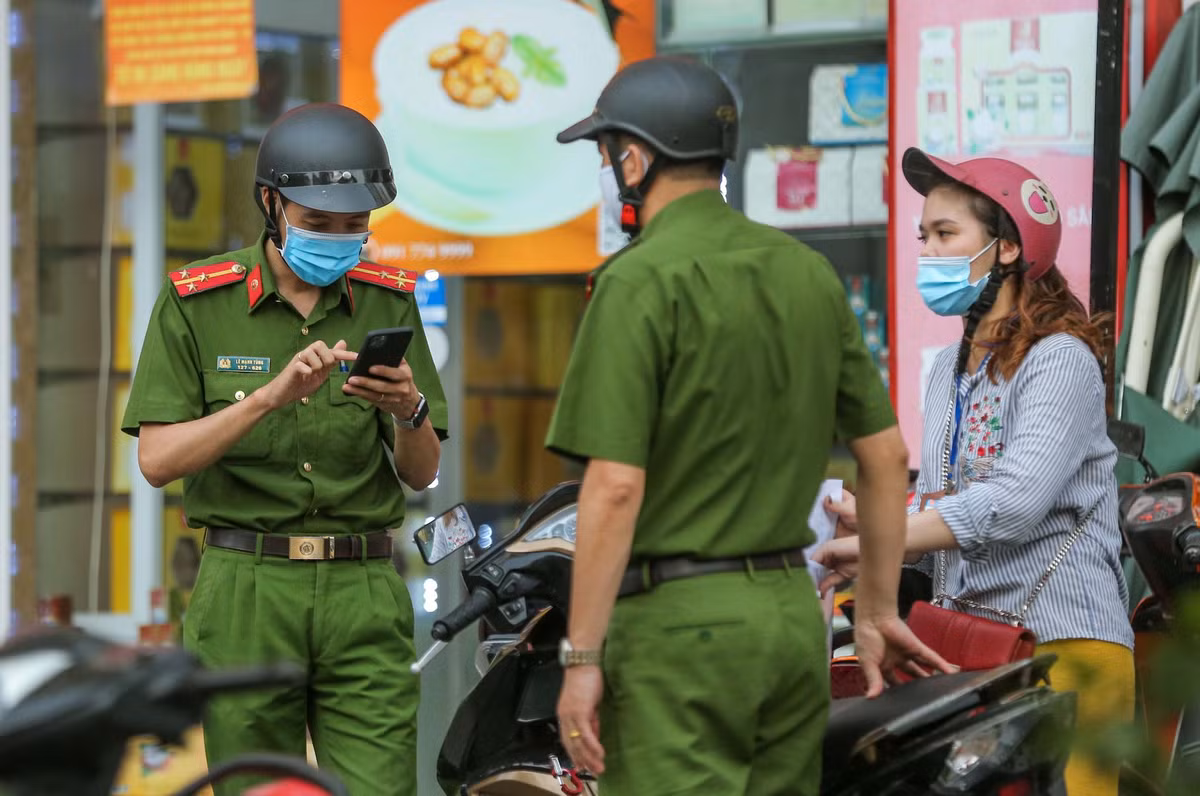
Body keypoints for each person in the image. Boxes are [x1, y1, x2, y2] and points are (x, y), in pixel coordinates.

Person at [544, 56, 953, 795]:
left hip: (679, 633)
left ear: (634, 159)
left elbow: (614, 488)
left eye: (606, 155)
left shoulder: (636, 280)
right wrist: (876, 610)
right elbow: (887, 457)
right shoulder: (807, 273)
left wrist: (581, 658)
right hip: (790, 621)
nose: (607, 171)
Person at [121, 102, 448, 796]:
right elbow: (156, 460)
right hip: (246, 586)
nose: (340, 239)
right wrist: (267, 399)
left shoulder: (388, 301)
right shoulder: (196, 301)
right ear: (272, 204)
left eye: (355, 225)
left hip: (362, 585)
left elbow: (422, 472)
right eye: (319, 222)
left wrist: (410, 410)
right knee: (255, 786)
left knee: (382, 786)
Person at [813, 148, 1135, 796]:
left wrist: (886, 537)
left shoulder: (1060, 360)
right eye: (923, 237)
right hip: (970, 652)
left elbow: (1013, 501)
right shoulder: (946, 371)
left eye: (945, 234)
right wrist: (872, 529)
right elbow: (948, 500)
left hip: (1065, 644)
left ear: (1008, 248)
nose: (928, 253)